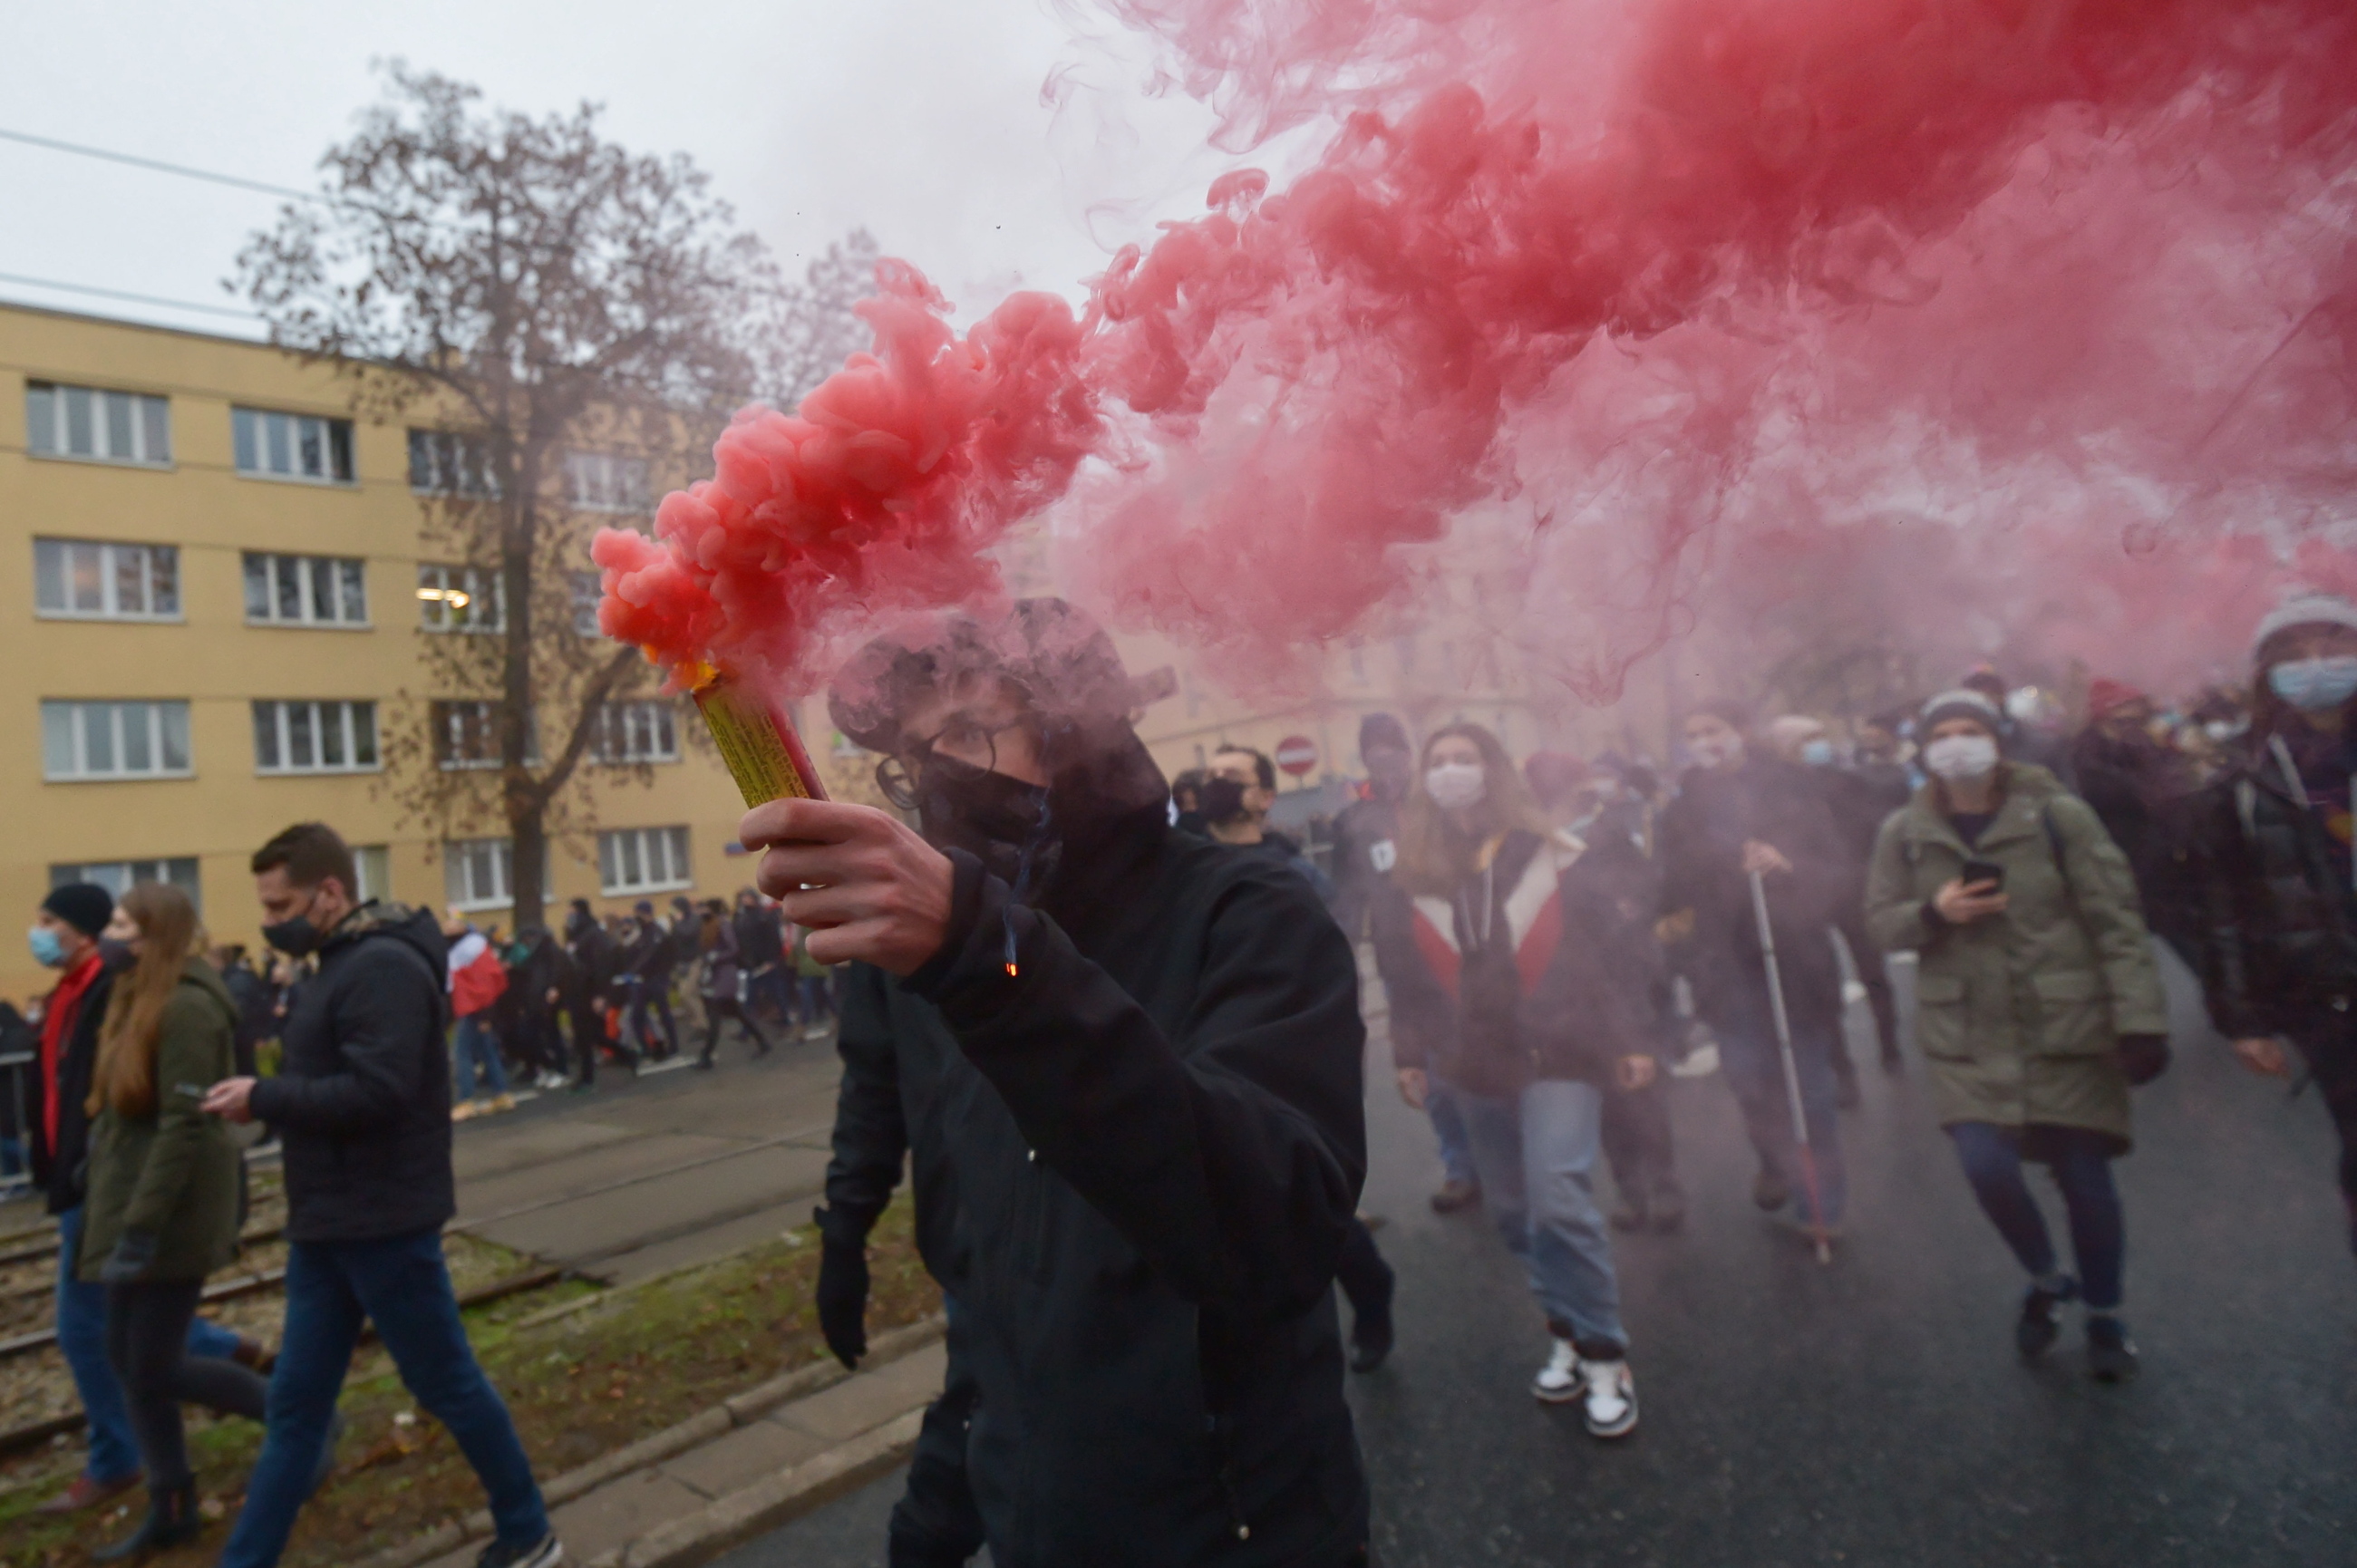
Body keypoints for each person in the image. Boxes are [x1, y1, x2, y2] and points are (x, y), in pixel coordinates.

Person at [796, 597, 1370, 1565]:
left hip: (1239, 1524)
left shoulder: (1244, 910)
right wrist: (933, 1517)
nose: (937, 777)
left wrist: (996, 968)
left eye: (968, 732)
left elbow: (1276, 1221)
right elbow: (998, 1305)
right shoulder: (949, 955)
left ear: (1073, 731)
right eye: (913, 753)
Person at [199, 823, 560, 1568]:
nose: (270, 922)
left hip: (383, 1220)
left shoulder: (381, 966)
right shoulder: (336, 963)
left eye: (281, 905)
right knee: (297, 1409)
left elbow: (380, 1090)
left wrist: (265, 1096)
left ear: (331, 893)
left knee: (446, 1385)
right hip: (330, 1220)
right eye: (266, 908)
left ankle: (528, 1534)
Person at [1867, 690, 2168, 1380]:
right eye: (1941, 733)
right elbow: (1881, 923)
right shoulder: (1904, 831)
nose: (1956, 744)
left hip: (2065, 1022)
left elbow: (2117, 920)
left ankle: (2104, 1314)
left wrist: (2142, 1021)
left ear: (1998, 739)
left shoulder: (2059, 815)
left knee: (2083, 1178)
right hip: (1966, 1031)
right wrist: (1934, 911)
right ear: (1924, 748)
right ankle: (2044, 1276)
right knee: (1985, 1166)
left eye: (1971, 730)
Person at [1375, 723, 1656, 1434]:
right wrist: (1410, 1055)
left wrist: (1631, 1036)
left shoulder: (1557, 856)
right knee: (1512, 1213)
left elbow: (1613, 952)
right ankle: (1563, 1326)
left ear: (1494, 770)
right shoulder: (1409, 874)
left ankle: (1603, 1351)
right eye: (1437, 762)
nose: (1450, 772)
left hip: (1563, 1050)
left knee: (1559, 1196)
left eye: (1464, 759)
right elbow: (1402, 979)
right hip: (1472, 1061)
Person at [27, 885, 259, 1518]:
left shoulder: (182, 1005)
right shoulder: (124, 994)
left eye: (122, 925)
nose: (112, 935)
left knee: (129, 1354)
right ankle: (169, 1501)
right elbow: (103, 1101)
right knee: (129, 1354)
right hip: (108, 1190)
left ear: (153, 935)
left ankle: (296, 1419)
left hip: (151, 1206)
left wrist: (137, 1223)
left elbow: (183, 1124)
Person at [2183, 593, 2357, 1263]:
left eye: (2334, 650)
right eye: (2296, 657)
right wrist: (2241, 1017)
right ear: (2268, 676)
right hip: (2329, 991)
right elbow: (2222, 901)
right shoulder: (2246, 776)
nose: (2317, 667)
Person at [1657, 701, 1854, 1244]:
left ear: (1741, 731)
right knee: (1749, 1083)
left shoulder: (1794, 790)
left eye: (1713, 729)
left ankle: (1822, 1210)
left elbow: (1835, 870)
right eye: (1692, 733)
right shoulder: (1678, 810)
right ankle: (1775, 1159)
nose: (1703, 741)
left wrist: (1788, 866)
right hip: (1723, 973)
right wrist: (1680, 946)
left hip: (1794, 963)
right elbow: (1671, 891)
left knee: (1809, 1091)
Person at [1525, 752, 1686, 1234]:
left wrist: (1628, 924)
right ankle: (1631, 1191)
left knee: (1638, 1090)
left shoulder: (1608, 834)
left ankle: (1663, 1183)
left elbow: (1641, 894)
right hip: (1574, 988)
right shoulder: (1535, 845)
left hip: (1624, 976)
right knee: (1609, 1098)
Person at [1770, 714, 1902, 1082]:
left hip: (1853, 886)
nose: (1817, 744)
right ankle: (1840, 1066)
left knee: (1873, 971)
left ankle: (1890, 1046)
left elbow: (1870, 827)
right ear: (1784, 747)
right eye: (1807, 739)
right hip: (1807, 893)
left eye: (1820, 736)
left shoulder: (1848, 781)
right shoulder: (1774, 789)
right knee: (1820, 981)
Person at [2071, 678, 2197, 961]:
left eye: (2137, 720)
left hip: (2169, 880)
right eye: (2121, 722)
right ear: (2101, 721)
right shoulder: (2088, 765)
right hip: (2125, 881)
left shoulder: (2151, 753)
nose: (2131, 729)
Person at [444, 912, 514, 1120]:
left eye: (450, 924)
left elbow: (485, 985)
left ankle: (466, 1100)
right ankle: (501, 1095)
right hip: (475, 1009)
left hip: (475, 1009)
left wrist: (485, 1015)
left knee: (461, 1054)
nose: (445, 928)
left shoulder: (469, 951)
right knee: (487, 1052)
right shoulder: (466, 949)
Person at [559, 898, 631, 1090]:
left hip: (589, 992)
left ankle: (587, 1077)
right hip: (575, 991)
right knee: (590, 1035)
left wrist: (601, 995)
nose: (569, 915)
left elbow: (602, 966)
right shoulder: (575, 936)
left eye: (571, 911)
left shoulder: (593, 935)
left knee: (586, 1035)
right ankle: (626, 1056)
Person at [694, 898, 772, 1068]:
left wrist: (716, 957)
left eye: (704, 909)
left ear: (713, 910)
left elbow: (733, 949)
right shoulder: (709, 926)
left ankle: (706, 1056)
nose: (701, 912)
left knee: (714, 1014)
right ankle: (763, 1042)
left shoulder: (723, 925)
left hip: (726, 975)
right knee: (738, 1013)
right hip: (718, 975)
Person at [622, 900, 683, 1060]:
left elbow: (649, 955)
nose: (636, 917)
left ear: (647, 913)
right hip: (642, 980)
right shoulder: (640, 932)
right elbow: (631, 952)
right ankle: (646, 1048)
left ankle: (674, 1046)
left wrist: (633, 971)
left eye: (639, 913)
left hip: (657, 979)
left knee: (664, 1013)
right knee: (637, 1015)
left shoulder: (657, 932)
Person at [733, 890, 793, 1025]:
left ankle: (785, 1019)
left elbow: (773, 939)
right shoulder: (742, 917)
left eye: (747, 897)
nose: (744, 901)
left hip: (766, 963)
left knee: (776, 993)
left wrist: (772, 960)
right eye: (743, 898)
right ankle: (746, 1029)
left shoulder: (764, 916)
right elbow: (742, 941)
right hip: (751, 963)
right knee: (750, 996)